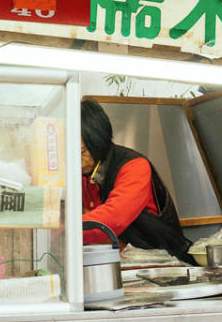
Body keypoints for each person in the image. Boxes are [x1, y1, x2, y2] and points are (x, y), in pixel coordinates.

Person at [80, 98, 192, 263]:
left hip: (161, 267)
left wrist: (62, 227)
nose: (75, 160)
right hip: (120, 266)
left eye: (81, 152)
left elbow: (111, 219)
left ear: (98, 141)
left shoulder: (134, 166)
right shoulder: (83, 175)